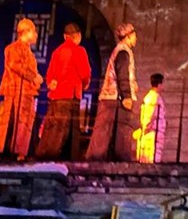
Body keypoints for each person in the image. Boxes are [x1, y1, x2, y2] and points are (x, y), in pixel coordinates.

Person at [35, 23, 91, 161]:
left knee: (53, 128)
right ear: (78, 36)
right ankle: (65, 160)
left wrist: (52, 84)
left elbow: (49, 75)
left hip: (56, 97)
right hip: (71, 96)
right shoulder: (79, 51)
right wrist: (84, 85)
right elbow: (85, 73)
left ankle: (44, 156)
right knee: (69, 131)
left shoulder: (57, 52)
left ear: (65, 36)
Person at [0, 18, 43, 161]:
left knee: (24, 125)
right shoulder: (12, 48)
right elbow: (15, 65)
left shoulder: (29, 53)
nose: (36, 35)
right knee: (12, 122)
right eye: (34, 31)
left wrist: (36, 80)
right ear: (26, 31)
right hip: (15, 91)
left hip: (26, 93)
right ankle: (8, 151)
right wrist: (33, 77)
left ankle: (20, 152)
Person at [86, 23, 138, 161]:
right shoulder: (123, 52)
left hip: (112, 97)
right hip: (115, 97)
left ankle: (102, 159)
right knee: (117, 131)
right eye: (134, 35)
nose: (136, 38)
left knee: (106, 131)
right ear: (128, 36)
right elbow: (122, 74)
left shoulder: (120, 50)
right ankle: (110, 159)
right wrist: (127, 95)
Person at [134, 73, 166, 163]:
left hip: (154, 131)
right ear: (159, 84)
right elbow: (150, 114)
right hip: (152, 132)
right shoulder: (153, 97)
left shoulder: (151, 97)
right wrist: (147, 127)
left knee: (152, 155)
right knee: (151, 156)